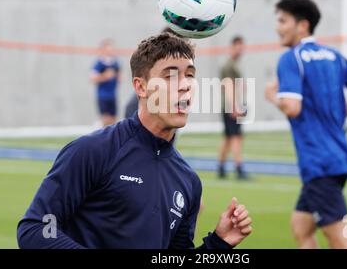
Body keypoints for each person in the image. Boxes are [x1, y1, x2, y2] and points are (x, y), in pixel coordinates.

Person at [17, 32, 252, 249]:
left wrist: (218, 243)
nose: (184, 85)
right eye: (170, 76)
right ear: (140, 87)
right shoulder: (92, 151)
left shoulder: (188, 181)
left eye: (189, 75)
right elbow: (36, 228)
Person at [265, 0, 347, 249]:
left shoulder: (292, 58)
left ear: (302, 25)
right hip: (338, 156)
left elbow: (292, 107)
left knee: (339, 239)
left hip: (318, 162)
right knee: (301, 226)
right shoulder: (334, 55)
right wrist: (340, 114)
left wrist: (271, 96)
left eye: (282, 20)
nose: (277, 27)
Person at [218, 36, 248, 179]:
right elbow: (228, 86)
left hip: (231, 105)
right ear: (232, 47)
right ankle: (239, 169)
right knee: (236, 137)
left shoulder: (233, 65)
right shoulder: (229, 66)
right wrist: (234, 107)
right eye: (238, 46)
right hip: (231, 106)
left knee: (229, 138)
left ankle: (221, 167)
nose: (240, 49)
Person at [90, 39, 121, 127]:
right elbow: (92, 78)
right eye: (108, 48)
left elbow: (118, 76)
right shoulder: (99, 63)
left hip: (113, 95)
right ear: (103, 49)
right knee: (105, 120)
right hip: (103, 95)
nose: (110, 50)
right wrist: (104, 76)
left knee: (114, 121)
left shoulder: (115, 63)